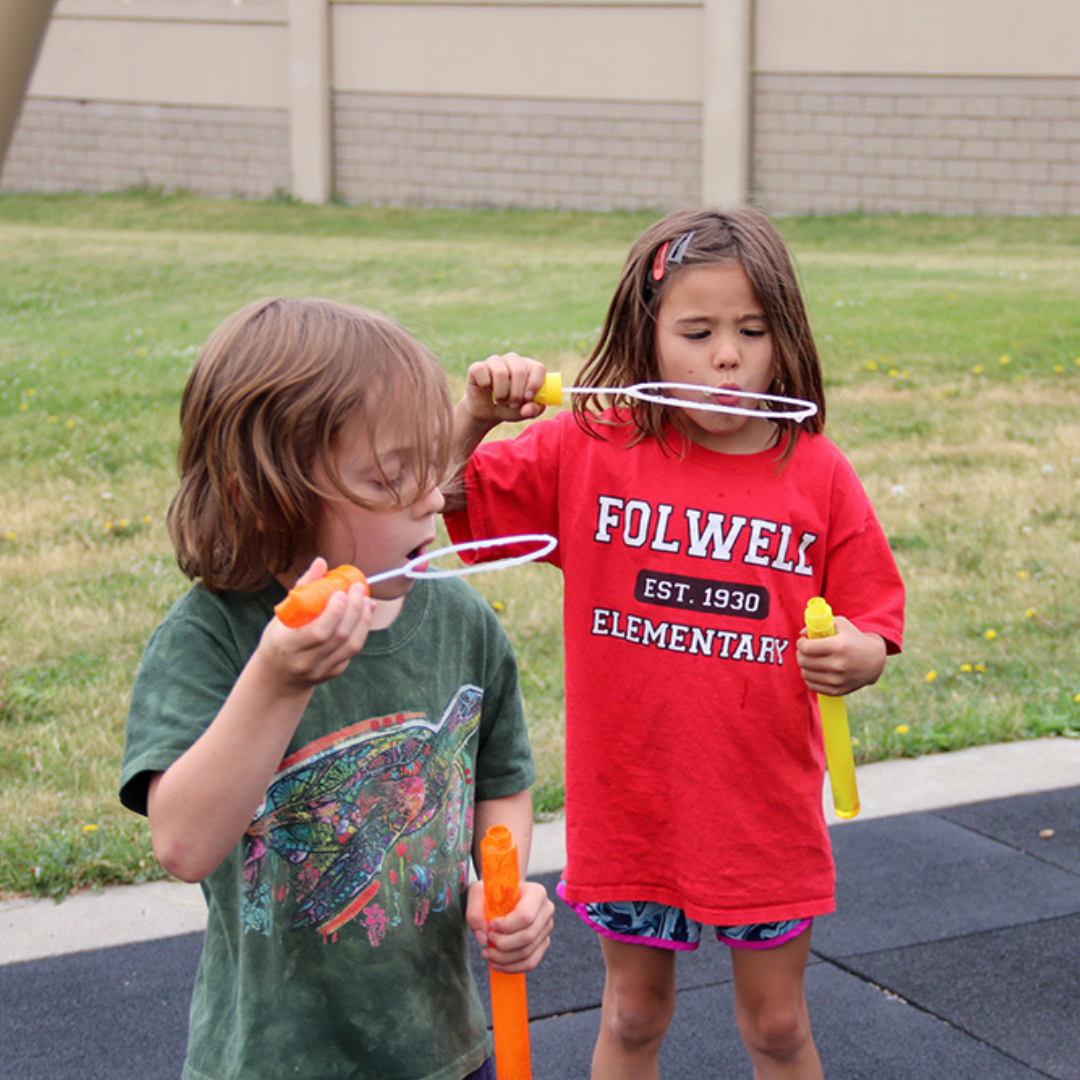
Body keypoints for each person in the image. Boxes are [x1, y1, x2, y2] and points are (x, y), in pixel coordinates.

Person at [445, 208, 905, 1078]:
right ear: (647, 338)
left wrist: (858, 654)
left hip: (760, 814)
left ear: (785, 340)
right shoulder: (591, 448)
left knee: (775, 1026)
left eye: (751, 331)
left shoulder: (817, 472)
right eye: (696, 331)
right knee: (630, 1013)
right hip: (634, 809)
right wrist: (474, 413)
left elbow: (873, 619)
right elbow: (433, 493)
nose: (726, 355)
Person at [120, 297, 554, 1080]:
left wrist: (502, 887)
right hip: (271, 1062)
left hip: (441, 1052)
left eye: (430, 462)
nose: (433, 493)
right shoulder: (211, 639)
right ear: (263, 497)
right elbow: (182, 844)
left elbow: (500, 779)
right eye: (391, 475)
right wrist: (278, 678)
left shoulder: (461, 624)